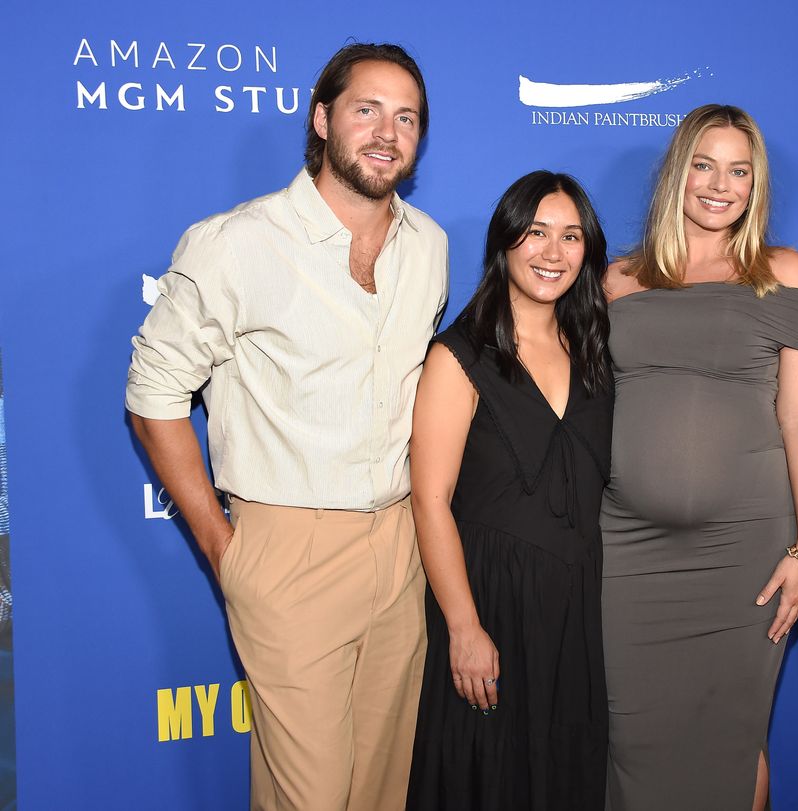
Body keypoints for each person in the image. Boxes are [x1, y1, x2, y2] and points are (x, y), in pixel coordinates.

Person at [125, 43, 448, 810]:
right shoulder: (238, 243)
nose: (385, 131)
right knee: (310, 796)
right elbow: (153, 391)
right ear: (322, 118)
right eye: (366, 109)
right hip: (287, 553)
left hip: (401, 550)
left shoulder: (428, 246)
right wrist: (223, 546)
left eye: (406, 117)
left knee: (383, 790)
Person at [602, 104, 798, 810]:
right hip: (628, 552)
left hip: (746, 551)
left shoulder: (782, 271)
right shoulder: (619, 280)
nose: (719, 184)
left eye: (739, 169)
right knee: (632, 739)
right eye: (704, 164)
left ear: (755, 183)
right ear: (678, 173)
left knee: (730, 736)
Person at [405, 170, 612, 810]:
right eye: (535, 232)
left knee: (568, 780)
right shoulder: (459, 355)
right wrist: (463, 627)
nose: (552, 253)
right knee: (491, 782)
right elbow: (430, 500)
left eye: (570, 236)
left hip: (581, 609)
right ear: (505, 242)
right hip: (491, 604)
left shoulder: (598, 350)